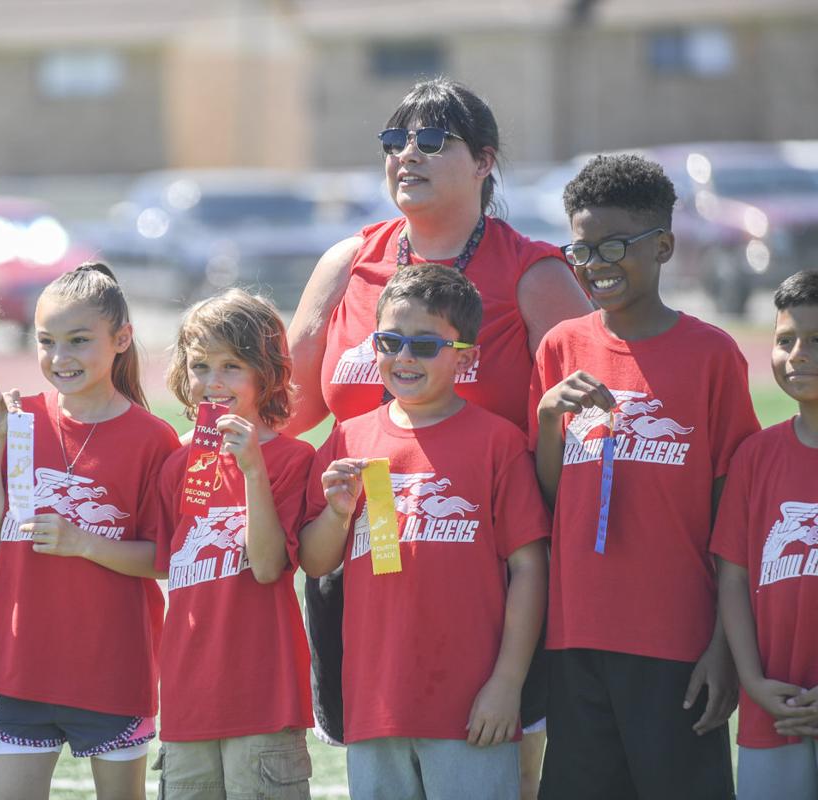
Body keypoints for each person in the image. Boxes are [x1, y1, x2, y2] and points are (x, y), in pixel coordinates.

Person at [285, 78, 590, 791]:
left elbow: (603, 406)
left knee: (494, 771)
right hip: (371, 570)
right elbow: (285, 408)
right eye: (394, 142)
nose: (406, 156)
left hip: (488, 573)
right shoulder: (348, 263)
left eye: (430, 140)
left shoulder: (532, 272)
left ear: (485, 162)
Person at [531, 154, 760, 799]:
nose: (595, 262)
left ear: (662, 245)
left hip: (676, 642)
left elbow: (733, 518)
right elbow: (551, 499)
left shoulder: (712, 355)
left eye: (614, 245)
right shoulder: (561, 348)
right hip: (575, 638)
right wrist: (550, 420)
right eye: (581, 248)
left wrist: (723, 647)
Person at [300, 265, 550, 799]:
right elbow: (317, 563)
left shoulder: (498, 443)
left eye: (425, 344)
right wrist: (337, 514)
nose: (404, 357)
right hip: (375, 707)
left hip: (472, 710)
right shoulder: (350, 437)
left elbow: (530, 567)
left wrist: (506, 685)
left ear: (467, 356)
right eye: (389, 341)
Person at [0, 263, 178, 800]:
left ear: (121, 340)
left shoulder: (153, 439)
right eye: (46, 341)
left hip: (112, 670)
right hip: (22, 667)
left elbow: (163, 557)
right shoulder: (20, 420)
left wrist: (83, 543)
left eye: (79, 341)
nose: (59, 358)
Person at [153, 289, 314, 798]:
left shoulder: (293, 459)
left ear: (266, 374)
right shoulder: (177, 462)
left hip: (262, 699)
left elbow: (267, 567)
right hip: (186, 698)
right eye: (200, 365)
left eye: (231, 366)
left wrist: (252, 469)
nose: (213, 382)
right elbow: (163, 563)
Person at [712, 270, 818, 800]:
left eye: (815, 341)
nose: (797, 354)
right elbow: (733, 576)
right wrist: (751, 682)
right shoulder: (756, 455)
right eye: (785, 340)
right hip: (771, 704)